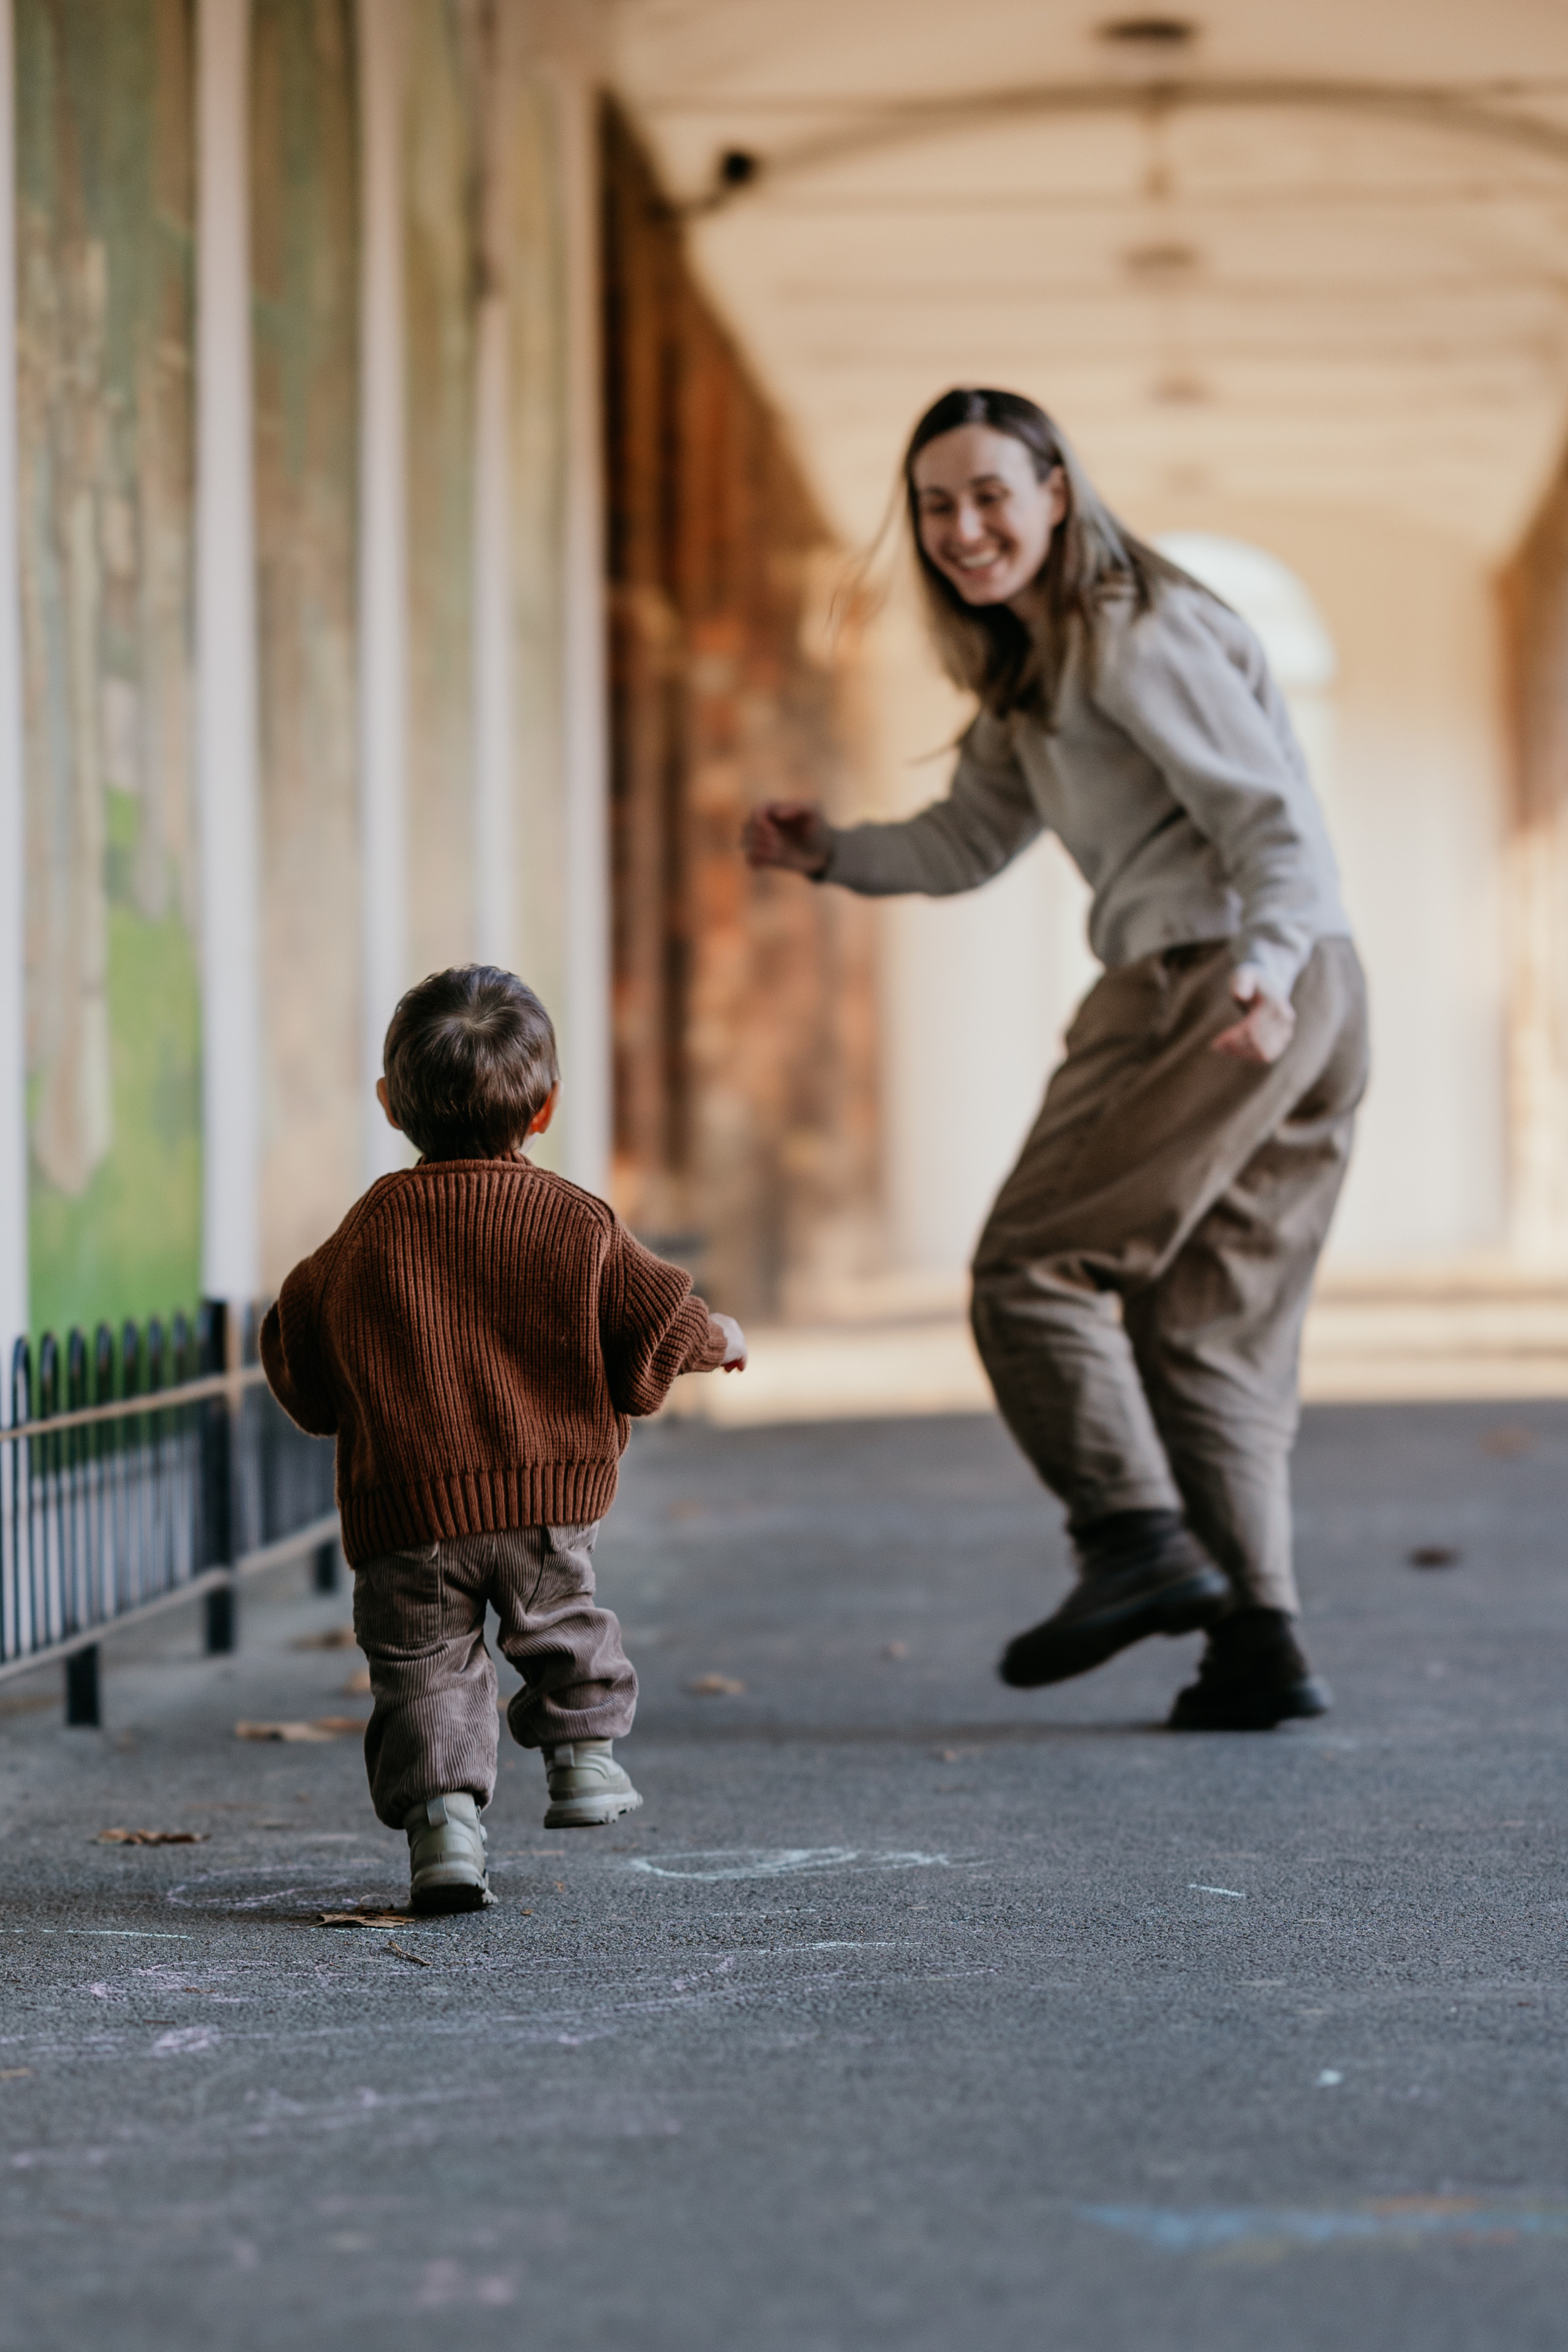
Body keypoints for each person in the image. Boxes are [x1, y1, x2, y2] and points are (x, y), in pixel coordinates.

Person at [744, 386, 1368, 1732]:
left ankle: (1134, 1537)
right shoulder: (1036, 673)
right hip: (1284, 981)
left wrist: (1256, 971)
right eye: (934, 505)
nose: (963, 528)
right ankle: (1258, 1640)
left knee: (1029, 1267)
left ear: (1054, 494)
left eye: (988, 495)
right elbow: (966, 842)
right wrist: (827, 850)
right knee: (1206, 1331)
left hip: (1220, 977)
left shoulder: (1133, 637)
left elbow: (1272, 831)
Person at [260, 965, 746, 1913]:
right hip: (547, 1505)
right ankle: (584, 1761)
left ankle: (444, 1829)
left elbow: (297, 1345)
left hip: (408, 1515)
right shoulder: (579, 1221)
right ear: (548, 1108)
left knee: (423, 1669)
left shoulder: (365, 1233)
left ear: (391, 1106)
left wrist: (343, 1394)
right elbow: (659, 1319)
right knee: (563, 1624)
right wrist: (722, 1338)